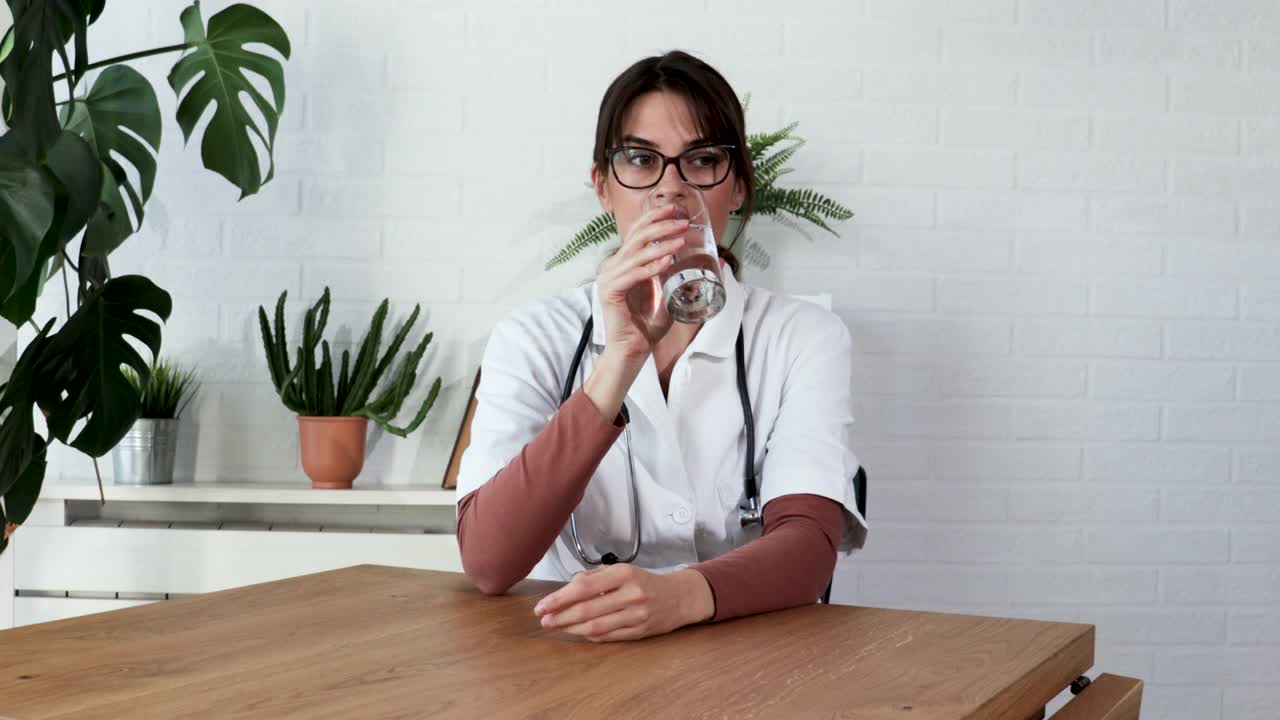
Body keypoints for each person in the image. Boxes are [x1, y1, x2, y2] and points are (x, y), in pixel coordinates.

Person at [455, 50, 866, 643]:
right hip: (569, 653)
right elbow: (489, 562)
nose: (671, 191)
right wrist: (619, 360)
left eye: (701, 160)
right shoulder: (533, 337)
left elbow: (809, 547)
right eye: (642, 160)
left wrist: (679, 596)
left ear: (739, 190)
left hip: (744, 652)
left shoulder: (803, 337)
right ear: (603, 188)